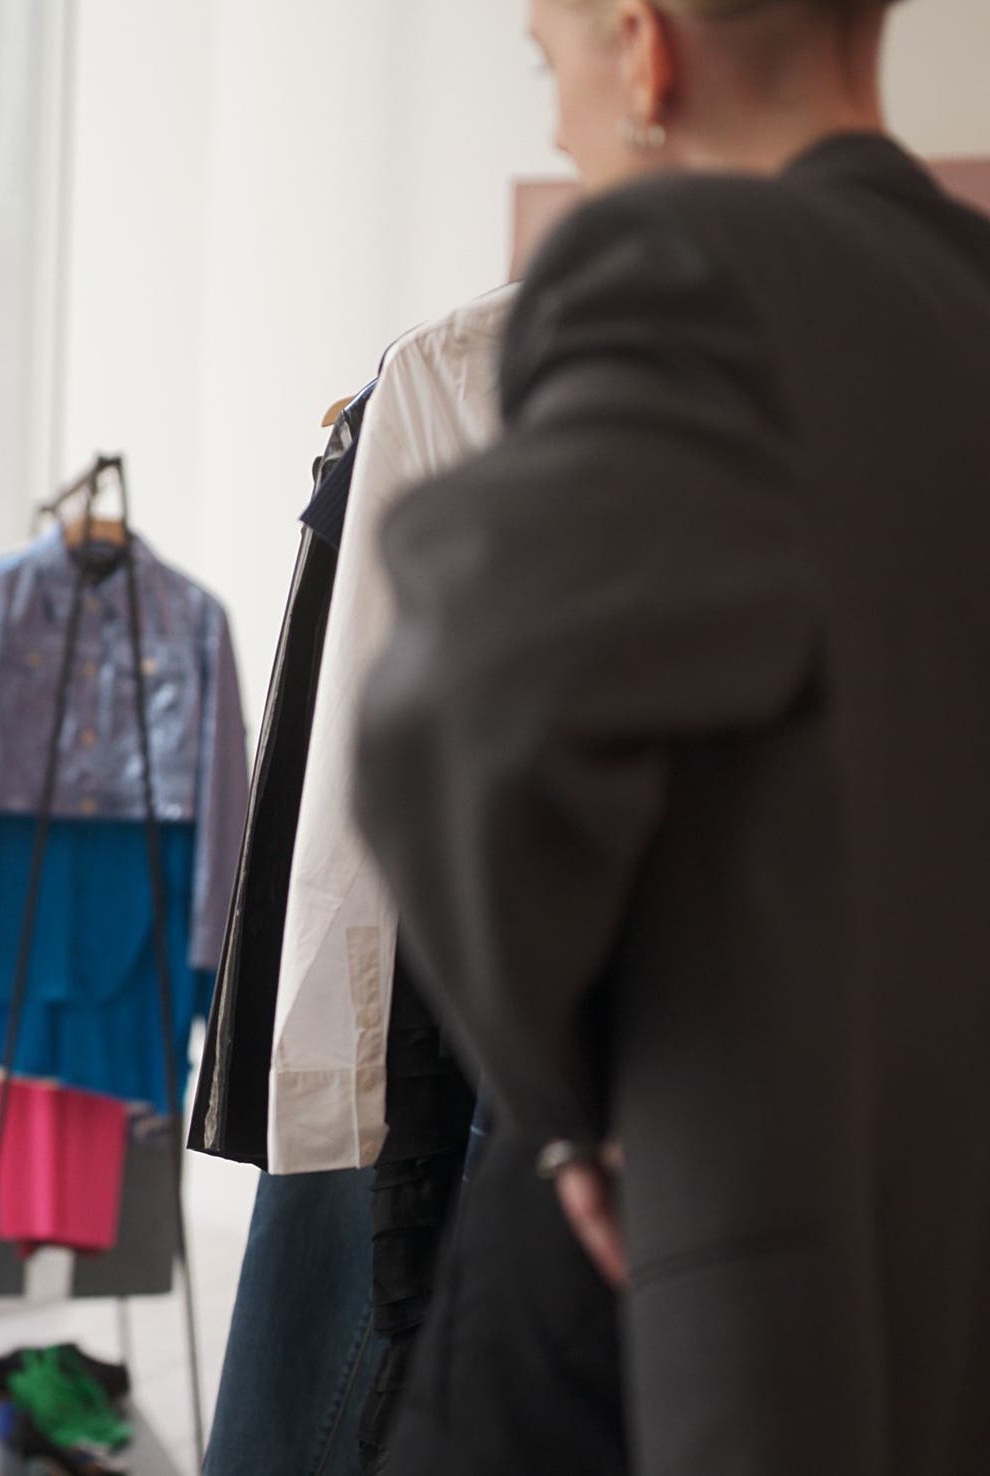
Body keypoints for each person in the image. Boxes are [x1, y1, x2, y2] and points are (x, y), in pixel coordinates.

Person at [353, 1, 990, 1473]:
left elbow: (453, 711)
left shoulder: (692, 273)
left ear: (644, 53)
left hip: (686, 1292)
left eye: (550, 66)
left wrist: (560, 1110)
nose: (559, 128)